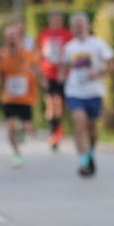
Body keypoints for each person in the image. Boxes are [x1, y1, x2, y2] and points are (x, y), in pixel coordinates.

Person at [60, 13, 114, 178]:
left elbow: (112, 66)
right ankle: (83, 161)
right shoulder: (69, 47)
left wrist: (99, 74)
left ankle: (90, 152)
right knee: (79, 123)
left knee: (92, 129)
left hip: (94, 92)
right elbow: (64, 67)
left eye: (81, 25)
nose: (78, 28)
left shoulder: (98, 44)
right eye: (75, 25)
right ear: (71, 28)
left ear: (88, 26)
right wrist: (62, 76)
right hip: (75, 92)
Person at [1, 22, 43, 167]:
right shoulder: (1, 56)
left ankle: (23, 129)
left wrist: (43, 81)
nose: (11, 40)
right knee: (11, 126)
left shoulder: (28, 54)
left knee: (27, 127)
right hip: (9, 98)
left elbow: (37, 69)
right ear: (5, 39)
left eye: (14, 36)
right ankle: (17, 153)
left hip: (26, 98)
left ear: (19, 38)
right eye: (8, 37)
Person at [35, 11, 72, 150]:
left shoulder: (67, 35)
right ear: (49, 21)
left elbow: (71, 55)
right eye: (53, 20)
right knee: (50, 105)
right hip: (48, 74)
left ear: (62, 21)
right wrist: (41, 75)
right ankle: (53, 134)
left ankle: (58, 132)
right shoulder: (44, 34)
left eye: (58, 20)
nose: (56, 22)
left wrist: (65, 72)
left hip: (62, 75)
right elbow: (38, 55)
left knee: (59, 105)